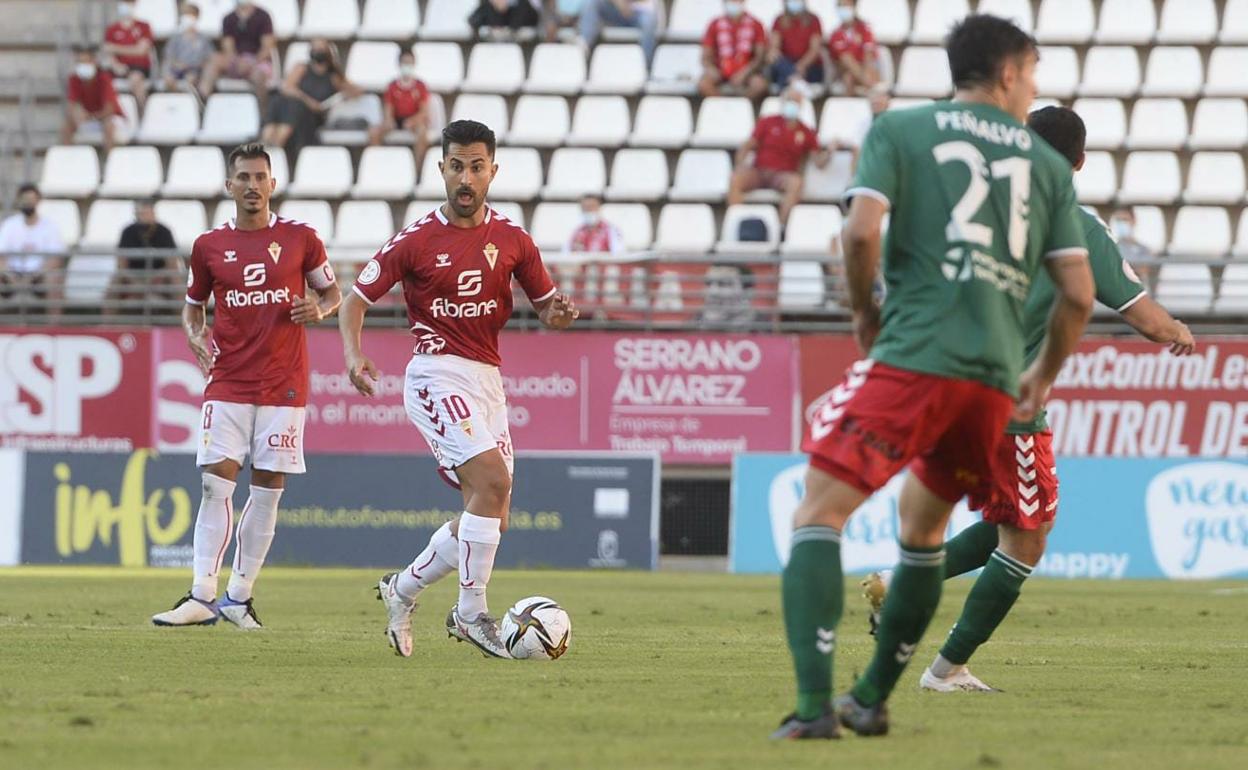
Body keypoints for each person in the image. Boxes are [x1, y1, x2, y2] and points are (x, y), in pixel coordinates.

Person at [771, 14, 1095, 740]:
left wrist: (862, 316)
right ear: (1009, 72)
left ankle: (817, 707)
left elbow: (859, 232)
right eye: (1034, 73)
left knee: (818, 513)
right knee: (923, 532)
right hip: (991, 387)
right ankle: (872, 696)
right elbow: (1076, 294)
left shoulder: (903, 130)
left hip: (916, 356)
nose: (1033, 88)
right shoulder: (1048, 169)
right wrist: (1039, 377)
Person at [861, 106, 1197, 693]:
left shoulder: (972, 211)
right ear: (1081, 162)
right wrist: (1179, 331)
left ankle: (899, 581)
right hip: (1007, 402)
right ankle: (947, 669)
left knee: (1007, 522)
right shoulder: (1076, 224)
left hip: (943, 388)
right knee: (1031, 535)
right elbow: (1142, 316)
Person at [339, 120, 579, 659]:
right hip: (434, 373)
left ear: (493, 170)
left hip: (487, 379)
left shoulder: (515, 240)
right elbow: (354, 300)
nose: (465, 177)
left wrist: (559, 314)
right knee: (492, 483)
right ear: (441, 169)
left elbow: (548, 309)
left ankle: (400, 590)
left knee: (490, 510)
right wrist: (354, 355)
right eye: (456, 166)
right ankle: (470, 613)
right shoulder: (416, 241)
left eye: (476, 166)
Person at [150, 143, 342, 629]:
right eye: (244, 177)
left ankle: (239, 597)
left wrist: (319, 309)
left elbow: (333, 292)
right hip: (229, 380)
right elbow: (193, 306)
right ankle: (200, 595)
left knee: (268, 490)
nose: (253, 185)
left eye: (261, 177)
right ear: (229, 186)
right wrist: (195, 338)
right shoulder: (208, 246)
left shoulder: (301, 239)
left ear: (272, 185)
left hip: (283, 384)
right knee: (215, 483)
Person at [727, 85, 829, 225]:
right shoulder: (767, 122)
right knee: (736, 179)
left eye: (795, 101)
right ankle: (737, 223)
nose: (791, 104)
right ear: (782, 102)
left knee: (796, 183)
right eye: (789, 100)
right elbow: (747, 146)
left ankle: (781, 227)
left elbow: (819, 162)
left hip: (782, 176)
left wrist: (831, 150)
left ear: (801, 104)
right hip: (759, 171)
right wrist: (740, 165)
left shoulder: (806, 132)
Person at [261, 40, 361, 158]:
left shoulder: (333, 76)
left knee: (295, 107)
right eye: (315, 48)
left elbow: (357, 91)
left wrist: (338, 76)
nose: (317, 52)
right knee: (279, 101)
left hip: (311, 116)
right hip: (294, 107)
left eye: (321, 49)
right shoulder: (302, 68)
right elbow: (287, 88)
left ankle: (275, 147)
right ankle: (268, 142)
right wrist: (308, 101)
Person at [0, 184, 66, 313]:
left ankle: (53, 330)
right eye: (24, 199)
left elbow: (56, 260)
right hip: (12, 275)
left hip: (39, 276)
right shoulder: (9, 225)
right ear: (18, 200)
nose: (27, 203)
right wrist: (12, 277)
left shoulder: (50, 226)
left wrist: (32, 278)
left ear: (38, 200)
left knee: (55, 280)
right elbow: (1, 257)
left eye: (31, 199)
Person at [201, 0, 277, 111]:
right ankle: (203, 102)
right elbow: (228, 47)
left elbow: (267, 47)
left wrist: (252, 63)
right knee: (214, 61)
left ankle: (263, 114)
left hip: (257, 62)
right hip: (236, 61)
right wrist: (237, 62)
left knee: (259, 76)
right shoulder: (228, 18)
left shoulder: (263, 16)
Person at [110, 199, 178, 312]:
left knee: (177, 280)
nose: (144, 215)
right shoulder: (127, 232)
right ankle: (107, 326)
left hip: (159, 277)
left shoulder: (164, 232)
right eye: (141, 212)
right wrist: (136, 283)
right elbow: (121, 265)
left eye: (147, 211)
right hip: (133, 277)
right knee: (114, 283)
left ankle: (182, 324)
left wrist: (157, 280)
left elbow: (172, 264)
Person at [698, 0, 769, 101]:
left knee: (760, 86)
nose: (733, 4)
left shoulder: (755, 24)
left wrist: (744, 73)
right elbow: (705, 57)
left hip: (747, 71)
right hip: (720, 70)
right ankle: (722, 106)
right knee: (704, 85)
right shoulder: (715, 24)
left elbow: (759, 57)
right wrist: (712, 70)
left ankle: (741, 106)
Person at [370, 49, 431, 165]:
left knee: (422, 133)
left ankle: (417, 169)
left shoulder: (420, 86)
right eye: (404, 63)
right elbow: (388, 108)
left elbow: (424, 112)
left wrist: (412, 121)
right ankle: (378, 163)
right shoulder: (392, 86)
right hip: (396, 119)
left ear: (414, 64)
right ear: (399, 64)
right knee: (374, 132)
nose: (407, 66)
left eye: (409, 63)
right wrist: (388, 121)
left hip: (413, 120)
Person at [61, 46, 123, 152]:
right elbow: (72, 104)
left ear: (94, 62)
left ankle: (110, 160)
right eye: (79, 62)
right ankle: (68, 159)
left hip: (107, 118)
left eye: (85, 62)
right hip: (89, 119)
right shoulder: (74, 79)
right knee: (66, 126)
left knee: (109, 125)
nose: (82, 65)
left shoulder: (104, 78)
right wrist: (77, 113)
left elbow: (110, 109)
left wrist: (91, 116)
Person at [103, 0, 155, 111]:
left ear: (134, 5)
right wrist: (116, 65)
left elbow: (141, 50)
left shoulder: (144, 26)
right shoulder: (112, 29)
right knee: (100, 79)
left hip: (139, 66)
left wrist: (116, 48)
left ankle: (143, 113)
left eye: (129, 3)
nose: (125, 6)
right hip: (119, 67)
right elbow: (108, 52)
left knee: (135, 79)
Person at [767, 0, 823, 89]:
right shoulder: (779, 20)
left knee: (784, 78)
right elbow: (774, 48)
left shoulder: (814, 20)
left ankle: (791, 85)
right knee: (775, 60)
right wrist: (792, 70)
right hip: (785, 65)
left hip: (808, 67)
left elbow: (814, 50)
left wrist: (801, 66)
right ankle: (796, 83)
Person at [579, 0, 659, 63]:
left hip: (637, 12)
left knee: (649, 20)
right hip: (615, 12)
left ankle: (645, 65)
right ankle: (584, 46)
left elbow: (649, 4)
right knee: (592, 2)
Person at [162, 3, 215, 98]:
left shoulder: (203, 39)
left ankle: (192, 104)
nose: (188, 18)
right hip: (177, 69)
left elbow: (209, 59)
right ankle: (177, 100)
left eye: (191, 15)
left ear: (197, 17)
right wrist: (178, 64)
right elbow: (169, 56)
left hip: (195, 70)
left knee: (191, 78)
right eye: (185, 15)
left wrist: (192, 65)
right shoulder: (175, 38)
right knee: (169, 79)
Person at [828, 1, 879, 95]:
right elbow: (844, 60)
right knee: (848, 77)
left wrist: (866, 72)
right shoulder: (835, 34)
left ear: (854, 7)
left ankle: (868, 84)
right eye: (841, 6)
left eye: (846, 6)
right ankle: (868, 85)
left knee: (864, 74)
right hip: (846, 70)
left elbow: (868, 53)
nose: (843, 9)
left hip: (867, 68)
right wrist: (864, 78)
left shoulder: (864, 28)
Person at [1109, 207, 1155, 288]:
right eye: (1118, 220)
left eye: (1125, 220)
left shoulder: (1143, 249)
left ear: (1134, 221)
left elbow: (1143, 271)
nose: (1121, 223)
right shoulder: (1111, 247)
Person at [470, 0, 541, 36]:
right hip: (493, 47)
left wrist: (508, 4)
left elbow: (535, 19)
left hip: (520, 44)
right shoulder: (488, 5)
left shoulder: (523, 4)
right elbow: (473, 20)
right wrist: (494, 5)